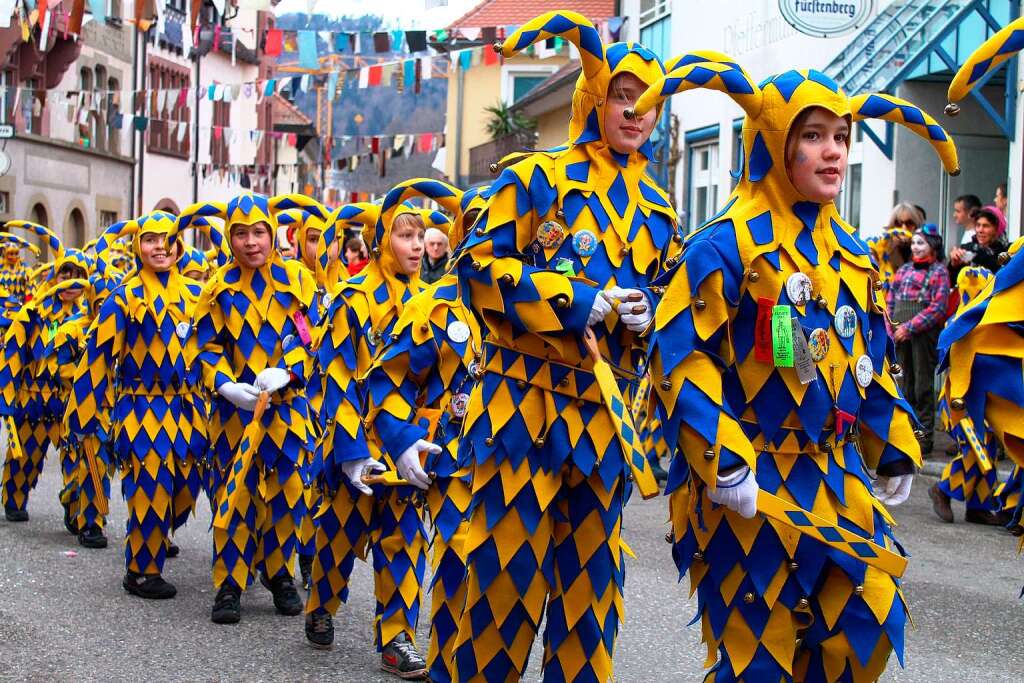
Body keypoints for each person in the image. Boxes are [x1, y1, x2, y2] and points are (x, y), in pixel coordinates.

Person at [632, 54, 959, 680]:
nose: (833, 152)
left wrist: (891, 442)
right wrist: (721, 458)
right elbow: (680, 358)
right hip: (753, 486)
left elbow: (871, 360)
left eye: (841, 137)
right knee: (760, 654)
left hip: (836, 478)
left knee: (867, 626)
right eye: (813, 136)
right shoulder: (721, 246)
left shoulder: (855, 255)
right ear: (773, 144)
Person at [451, 12, 678, 681]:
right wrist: (577, 299)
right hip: (520, 405)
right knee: (503, 581)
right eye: (622, 96)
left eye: (649, 102)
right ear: (595, 97)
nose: (636, 111)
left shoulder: (661, 208)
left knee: (590, 596)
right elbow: (475, 269)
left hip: (603, 422)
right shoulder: (537, 177)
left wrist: (648, 313)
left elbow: (671, 304)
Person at [355, 180, 484, 682]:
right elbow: (385, 380)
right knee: (401, 544)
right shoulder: (435, 307)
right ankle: (405, 642)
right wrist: (401, 439)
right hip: (438, 456)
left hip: (518, 464)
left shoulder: (543, 301)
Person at [304, 195, 438, 680]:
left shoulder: (431, 301)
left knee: (404, 540)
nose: (417, 246)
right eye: (406, 236)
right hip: (354, 440)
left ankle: (397, 637)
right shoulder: (352, 297)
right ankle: (321, 604)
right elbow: (335, 377)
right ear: (383, 238)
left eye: (421, 236)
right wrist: (349, 454)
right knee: (339, 536)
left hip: (404, 441)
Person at [186, 193, 323, 624]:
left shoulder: (298, 281)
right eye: (241, 233)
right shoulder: (218, 288)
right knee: (236, 492)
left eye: (258, 232)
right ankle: (229, 582)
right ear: (230, 238)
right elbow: (203, 347)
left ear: (272, 232)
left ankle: (279, 571)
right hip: (234, 415)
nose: (251, 242)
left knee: (289, 491)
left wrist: (290, 371)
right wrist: (225, 384)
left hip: (287, 409)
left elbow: (312, 337)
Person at [64, 212, 217, 597]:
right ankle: (141, 570)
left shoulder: (197, 296)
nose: (160, 246)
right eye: (150, 239)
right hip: (141, 409)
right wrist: (83, 415)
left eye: (167, 239)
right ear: (138, 247)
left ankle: (158, 535)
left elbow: (214, 349)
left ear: (180, 245)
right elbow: (98, 357)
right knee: (150, 485)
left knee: (186, 485)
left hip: (188, 409)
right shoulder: (125, 298)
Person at [0, 222, 91, 525]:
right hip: (32, 399)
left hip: (69, 401)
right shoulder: (33, 313)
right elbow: (12, 353)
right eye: (66, 273)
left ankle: (75, 508)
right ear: (55, 276)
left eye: (79, 276)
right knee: (23, 456)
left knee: (79, 461)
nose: (71, 281)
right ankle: (14, 499)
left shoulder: (88, 319)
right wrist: (7, 394)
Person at [928, 265, 1009, 525]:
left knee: (990, 449)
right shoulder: (960, 322)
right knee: (976, 448)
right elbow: (950, 362)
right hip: (960, 401)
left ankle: (979, 507)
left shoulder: (990, 320)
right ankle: (943, 489)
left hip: (984, 399)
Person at [887, 224, 951, 456]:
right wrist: (891, 327)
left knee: (923, 386)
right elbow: (890, 299)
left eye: (921, 243)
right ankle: (904, 435)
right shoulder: (903, 270)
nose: (916, 247)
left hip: (922, 336)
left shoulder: (939, 272)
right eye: (914, 242)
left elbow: (938, 307)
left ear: (933, 246)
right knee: (903, 385)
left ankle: (923, 438)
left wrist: (910, 328)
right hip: (899, 334)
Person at [867, 202, 922, 290]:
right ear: (892, 225)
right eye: (898, 223)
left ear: (916, 225)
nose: (903, 228)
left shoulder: (925, 248)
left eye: (909, 223)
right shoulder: (882, 246)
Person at [949, 205, 1009, 273]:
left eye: (986, 226)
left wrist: (980, 253)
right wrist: (954, 264)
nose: (980, 230)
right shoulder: (968, 248)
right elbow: (956, 280)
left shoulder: (1005, 252)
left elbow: (1000, 274)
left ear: (996, 229)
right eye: (978, 225)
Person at [0, 232, 36, 302]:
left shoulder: (25, 268)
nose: (14, 257)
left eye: (16, 254)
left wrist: (28, 301)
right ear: (4, 254)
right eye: (11, 254)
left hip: (22, 305)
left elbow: (31, 285)